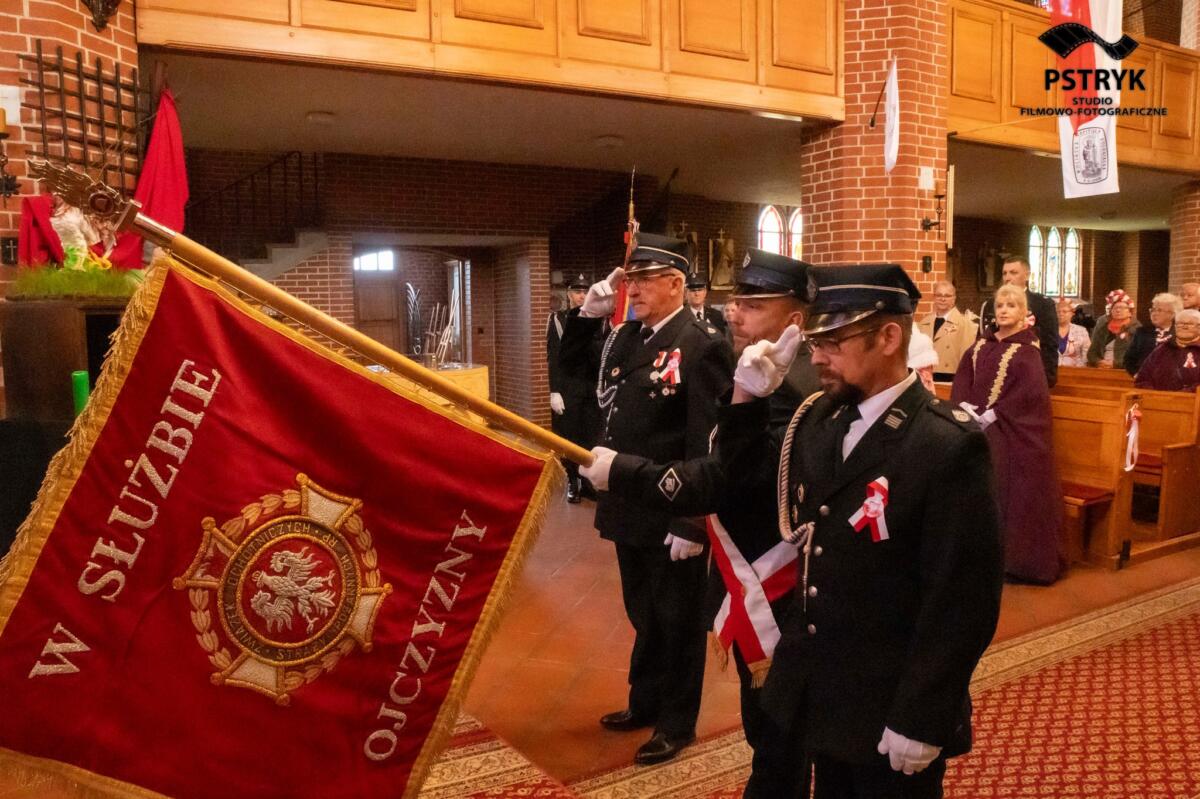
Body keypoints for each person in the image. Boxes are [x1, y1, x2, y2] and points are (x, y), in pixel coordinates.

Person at [718, 264, 1003, 798]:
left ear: (888, 337)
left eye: (833, 341)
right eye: (815, 341)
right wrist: (746, 401)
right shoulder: (822, 420)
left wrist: (922, 715)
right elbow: (739, 482)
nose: (816, 357)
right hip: (824, 689)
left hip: (891, 700)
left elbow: (962, 601)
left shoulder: (945, 445)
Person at [580, 249, 819, 798]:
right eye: (737, 302)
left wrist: (673, 508)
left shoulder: (786, 382)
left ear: (794, 319)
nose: (735, 313)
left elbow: (718, 466)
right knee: (762, 716)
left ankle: (680, 723)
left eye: (752, 305)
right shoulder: (748, 367)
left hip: (774, 566)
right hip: (696, 527)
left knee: (779, 719)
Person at [558, 232, 734, 765]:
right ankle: (646, 699)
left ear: (675, 283)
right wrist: (586, 319)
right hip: (627, 501)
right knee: (644, 612)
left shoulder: (702, 344)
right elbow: (576, 375)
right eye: (629, 280)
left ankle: (676, 722)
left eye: (643, 280)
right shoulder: (626, 338)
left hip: (671, 507)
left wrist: (692, 521)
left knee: (678, 619)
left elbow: (707, 441)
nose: (631, 290)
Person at [953, 284, 1062, 585]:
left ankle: (1014, 561)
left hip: (1013, 434)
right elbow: (963, 380)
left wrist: (994, 414)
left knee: (1004, 480)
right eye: (1000, 305)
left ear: (1023, 312)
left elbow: (1030, 395)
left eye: (1011, 305)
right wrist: (965, 407)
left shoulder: (1027, 351)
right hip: (975, 426)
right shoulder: (980, 346)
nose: (1003, 310)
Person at [547, 274, 598, 502]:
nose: (582, 296)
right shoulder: (559, 319)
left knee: (591, 435)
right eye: (577, 292)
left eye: (586, 292)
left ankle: (587, 481)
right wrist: (554, 390)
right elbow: (553, 357)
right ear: (569, 294)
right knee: (569, 437)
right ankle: (573, 481)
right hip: (567, 388)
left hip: (590, 387)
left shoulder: (598, 319)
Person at [979, 256, 1058, 387]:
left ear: (1027, 276)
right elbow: (983, 341)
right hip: (994, 374)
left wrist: (1046, 379)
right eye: (1005, 273)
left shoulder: (1042, 304)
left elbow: (1049, 344)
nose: (1007, 278)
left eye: (1013, 273)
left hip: (1028, 374)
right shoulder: (990, 304)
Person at [916, 281, 978, 382]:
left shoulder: (964, 324)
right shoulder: (924, 323)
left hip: (951, 378)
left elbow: (967, 358)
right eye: (939, 295)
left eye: (947, 296)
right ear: (934, 297)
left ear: (954, 298)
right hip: (925, 377)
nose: (943, 299)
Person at [1134, 308, 1200, 392]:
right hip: (1157, 398)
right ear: (1175, 326)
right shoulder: (1161, 349)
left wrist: (1182, 395)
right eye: (1180, 323)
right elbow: (1142, 379)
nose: (1184, 327)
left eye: (1190, 324)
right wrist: (1153, 394)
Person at [1125, 293, 1181, 376]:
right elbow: (1129, 359)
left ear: (1172, 314)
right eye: (1153, 310)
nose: (1154, 313)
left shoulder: (1179, 333)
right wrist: (1136, 374)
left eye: (1159, 310)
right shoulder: (1142, 332)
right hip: (1144, 379)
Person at [1087, 289, 1139, 368]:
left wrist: (1115, 364)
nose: (1118, 310)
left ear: (1130, 312)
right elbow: (1091, 353)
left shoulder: (1137, 330)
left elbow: (1138, 357)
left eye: (1122, 308)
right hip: (1102, 368)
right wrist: (1098, 362)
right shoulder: (1103, 328)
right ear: (1111, 311)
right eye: (1115, 308)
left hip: (1124, 371)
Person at [1056, 297, 1091, 368]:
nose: (1061, 314)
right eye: (1058, 311)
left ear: (1072, 313)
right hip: (1052, 370)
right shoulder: (1048, 331)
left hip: (1076, 370)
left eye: (1064, 311)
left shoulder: (1081, 331)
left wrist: (1080, 369)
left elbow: (1087, 354)